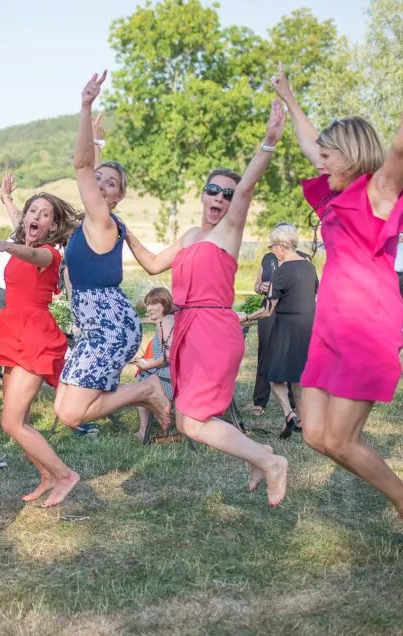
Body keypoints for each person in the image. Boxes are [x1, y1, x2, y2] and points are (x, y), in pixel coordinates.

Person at [271, 31, 403, 556]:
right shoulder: (332, 195)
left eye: (326, 153)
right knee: (317, 437)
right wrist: (289, 97)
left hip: (367, 326)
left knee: (342, 438)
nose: (316, 159)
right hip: (330, 327)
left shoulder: (378, 192)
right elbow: (306, 140)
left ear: (349, 156)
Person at [124, 89, 290, 506]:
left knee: (194, 421)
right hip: (187, 329)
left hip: (213, 327)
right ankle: (260, 457)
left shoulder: (228, 233)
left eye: (227, 194)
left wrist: (268, 141)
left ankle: (272, 463)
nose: (220, 198)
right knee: (186, 418)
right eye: (213, 190)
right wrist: (120, 227)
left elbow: (248, 188)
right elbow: (150, 264)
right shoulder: (190, 236)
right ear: (203, 193)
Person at [52, 72, 171, 436]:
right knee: (62, 407)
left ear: (117, 197)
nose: (102, 185)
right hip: (96, 325)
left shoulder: (104, 220)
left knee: (72, 414)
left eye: (112, 183)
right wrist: (99, 142)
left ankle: (147, 390)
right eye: (99, 181)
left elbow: (84, 167)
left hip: (109, 326)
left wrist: (86, 106)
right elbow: (152, 264)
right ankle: (142, 393)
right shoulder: (103, 221)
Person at [0, 192, 81, 506]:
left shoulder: (48, 254)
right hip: (14, 333)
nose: (35, 218)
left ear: (53, 226)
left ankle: (65, 475)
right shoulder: (25, 237)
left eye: (45, 214)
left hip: (33, 336)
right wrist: (8, 199)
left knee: (13, 422)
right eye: (32, 212)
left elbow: (31, 255)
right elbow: (22, 222)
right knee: (13, 420)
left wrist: (6, 245)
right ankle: (46, 475)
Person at [244, 224, 318, 439]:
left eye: (272, 245)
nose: (272, 250)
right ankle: (303, 420)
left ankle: (289, 414)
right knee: (297, 377)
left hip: (286, 327)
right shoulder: (309, 266)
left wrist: (246, 318)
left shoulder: (283, 270)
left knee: (274, 376)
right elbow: (315, 294)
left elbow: (268, 311)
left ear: (280, 245)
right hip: (307, 326)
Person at [132, 287, 175, 444]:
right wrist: (145, 362)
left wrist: (146, 365)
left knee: (139, 385)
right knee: (140, 377)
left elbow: (168, 358)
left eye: (153, 304)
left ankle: (151, 422)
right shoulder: (165, 321)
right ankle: (151, 423)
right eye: (147, 304)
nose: (149, 308)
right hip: (168, 374)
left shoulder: (165, 322)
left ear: (164, 304)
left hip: (171, 381)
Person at [250, 242, 279, 415]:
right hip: (267, 310)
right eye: (270, 245)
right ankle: (260, 400)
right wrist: (261, 287)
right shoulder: (267, 259)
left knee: (290, 354)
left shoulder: (300, 257)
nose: (272, 249)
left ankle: (293, 403)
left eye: (274, 245)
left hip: (289, 311)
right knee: (265, 352)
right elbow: (256, 285)